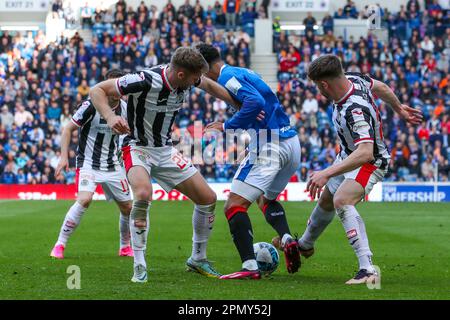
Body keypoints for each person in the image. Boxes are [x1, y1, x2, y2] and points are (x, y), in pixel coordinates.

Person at [89, 47, 239, 283]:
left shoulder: (189, 79)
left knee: (208, 198)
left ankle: (198, 258)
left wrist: (235, 103)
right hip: (137, 147)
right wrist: (110, 116)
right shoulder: (144, 80)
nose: (195, 83)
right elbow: (97, 90)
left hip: (165, 150)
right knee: (142, 194)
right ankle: (139, 264)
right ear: (181, 75)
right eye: (193, 79)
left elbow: (209, 86)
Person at [293, 55, 422, 284]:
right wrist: (399, 108)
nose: (318, 90)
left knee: (341, 200)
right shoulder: (354, 79)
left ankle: (368, 269)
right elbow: (381, 87)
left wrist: (326, 172)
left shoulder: (354, 110)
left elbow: (366, 152)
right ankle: (304, 245)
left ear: (324, 84)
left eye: (317, 86)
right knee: (326, 200)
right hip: (348, 155)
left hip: (369, 162)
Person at [196, 43, 301, 280]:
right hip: (291, 142)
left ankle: (250, 267)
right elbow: (259, 102)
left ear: (204, 67)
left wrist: (227, 126)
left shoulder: (228, 77)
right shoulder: (244, 72)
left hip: (270, 145)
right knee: (266, 198)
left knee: (233, 206)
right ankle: (286, 238)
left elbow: (255, 103)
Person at [50, 69, 134, 259]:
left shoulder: (126, 108)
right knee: (85, 199)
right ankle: (60, 244)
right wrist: (63, 157)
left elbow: (131, 133)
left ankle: (125, 247)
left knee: (128, 208)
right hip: (88, 163)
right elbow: (68, 129)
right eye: (111, 84)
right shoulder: (90, 105)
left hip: (113, 164)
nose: (115, 89)